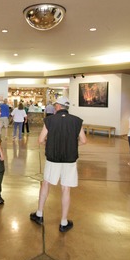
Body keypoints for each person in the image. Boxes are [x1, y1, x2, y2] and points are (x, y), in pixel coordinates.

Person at [30, 96, 87, 232]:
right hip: (69, 160)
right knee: (66, 189)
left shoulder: (49, 120)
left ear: (58, 106)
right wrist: (73, 145)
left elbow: (40, 139)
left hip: (53, 159)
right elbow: (84, 140)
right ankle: (63, 222)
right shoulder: (76, 121)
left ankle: (39, 214)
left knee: (46, 184)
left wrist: (47, 144)